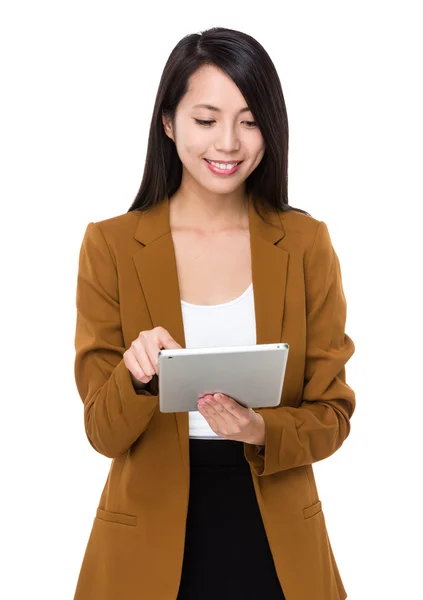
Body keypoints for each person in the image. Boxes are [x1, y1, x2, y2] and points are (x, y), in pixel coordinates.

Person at [73, 26, 356, 600]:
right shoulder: (111, 246)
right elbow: (102, 432)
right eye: (206, 120)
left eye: (249, 121)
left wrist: (261, 429)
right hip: (147, 543)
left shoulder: (305, 243)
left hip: (276, 536)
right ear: (169, 122)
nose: (228, 142)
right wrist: (135, 376)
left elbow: (333, 413)